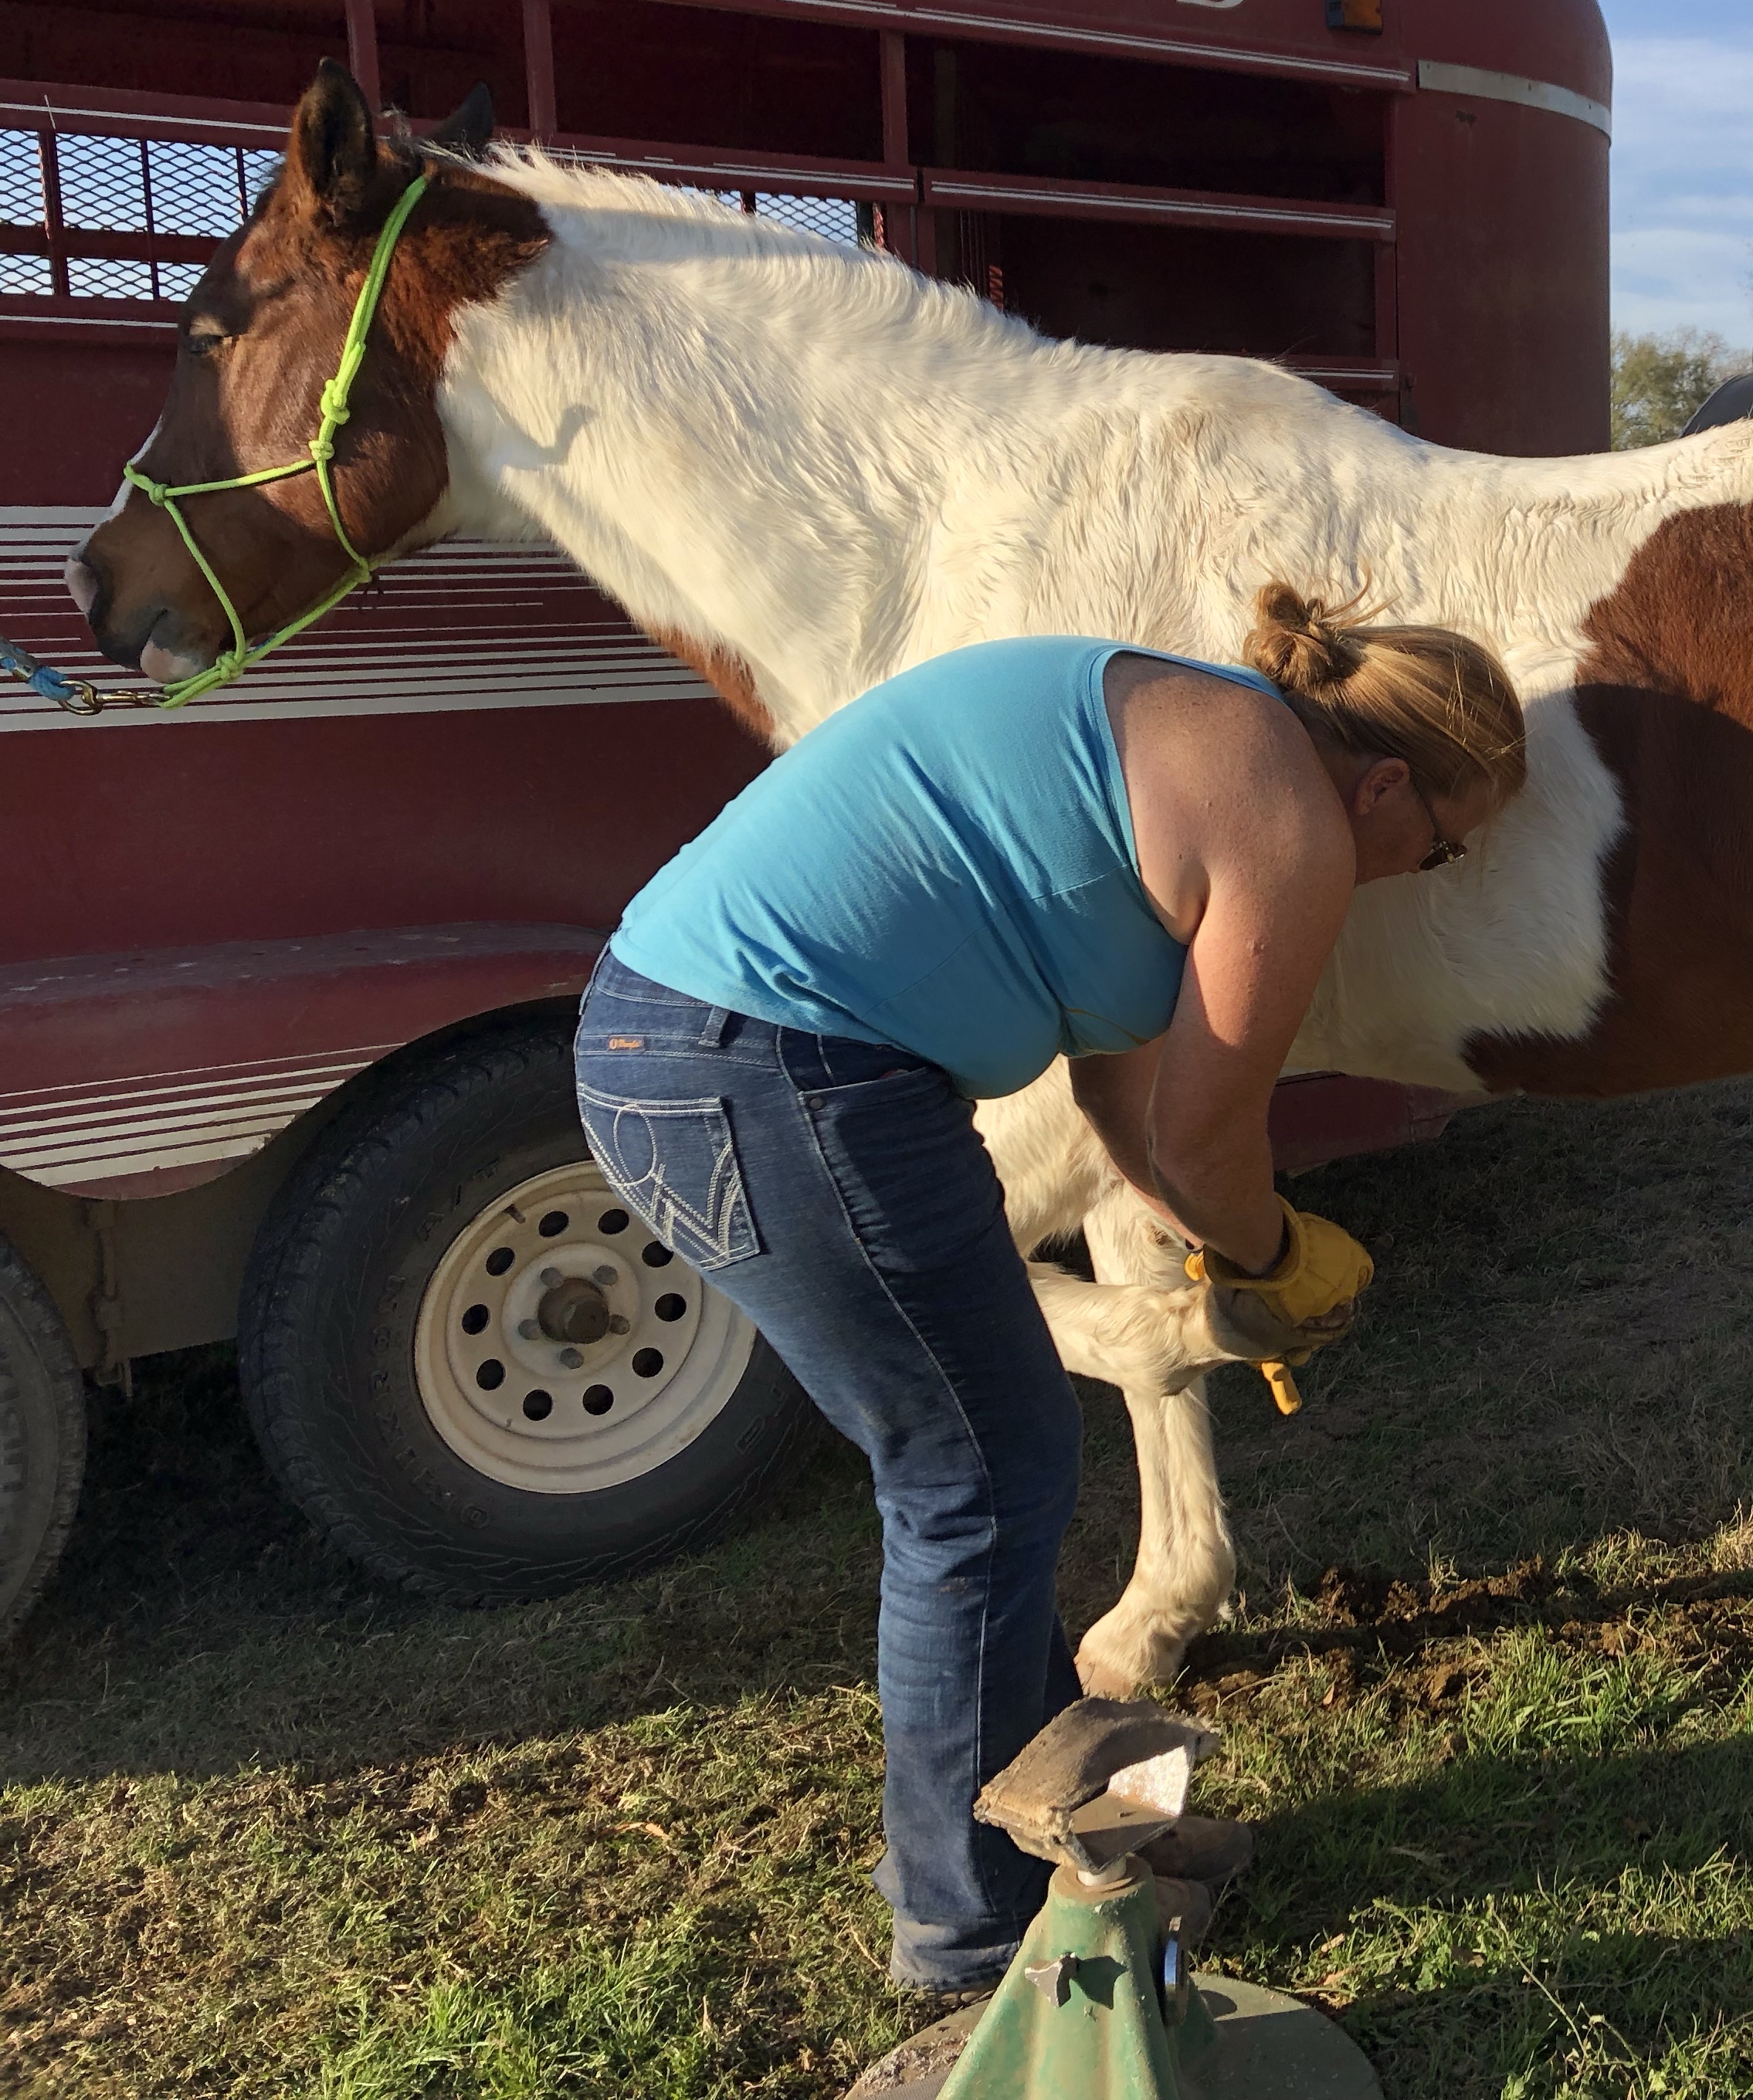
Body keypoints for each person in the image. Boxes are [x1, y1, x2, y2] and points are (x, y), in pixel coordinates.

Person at [571, 587, 1528, 1995]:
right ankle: (972, 1932)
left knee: (1001, 1453)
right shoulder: (1292, 823)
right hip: (776, 1071)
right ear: (1384, 785)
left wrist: (1229, 1255)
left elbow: (1130, 1113)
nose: (1417, 872)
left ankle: (1054, 1835)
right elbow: (1207, 1140)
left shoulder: (1190, 736)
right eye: (1439, 847)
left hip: (679, 1041)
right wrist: (1283, 1259)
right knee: (975, 1478)